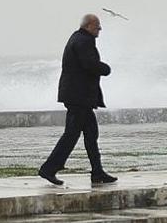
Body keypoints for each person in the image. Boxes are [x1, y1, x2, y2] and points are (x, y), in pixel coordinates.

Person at [39, 14, 117, 186]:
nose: (100, 29)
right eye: (97, 26)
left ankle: (97, 172)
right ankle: (48, 169)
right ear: (88, 26)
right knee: (71, 135)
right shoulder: (84, 41)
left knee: (91, 134)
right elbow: (88, 64)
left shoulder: (79, 38)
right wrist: (105, 69)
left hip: (79, 97)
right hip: (78, 97)